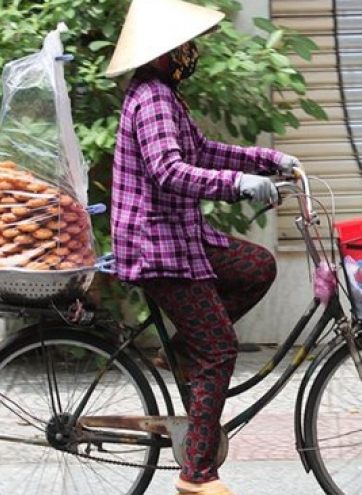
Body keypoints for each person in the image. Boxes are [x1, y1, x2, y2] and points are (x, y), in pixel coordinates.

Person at [105, 0, 299, 493]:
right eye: (183, 46)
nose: (191, 52)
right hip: (158, 247)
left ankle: (186, 351)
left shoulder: (166, 97)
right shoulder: (150, 99)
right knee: (221, 350)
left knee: (255, 266)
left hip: (179, 238)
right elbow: (169, 171)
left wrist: (265, 160)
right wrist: (238, 185)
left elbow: (203, 151)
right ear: (162, 54)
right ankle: (196, 474)